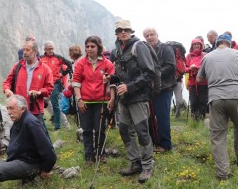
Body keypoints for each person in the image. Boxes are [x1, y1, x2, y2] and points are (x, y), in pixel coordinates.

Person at [196, 34, 238, 180]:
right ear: (229, 43)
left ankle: (223, 173)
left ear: (217, 44)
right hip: (235, 95)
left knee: (218, 135)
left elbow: (199, 79)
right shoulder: (237, 54)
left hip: (216, 98)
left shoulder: (207, 57)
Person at [105, 19, 155, 183]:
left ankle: (147, 166)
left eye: (126, 29)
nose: (123, 32)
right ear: (117, 33)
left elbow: (149, 73)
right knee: (124, 131)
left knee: (142, 131)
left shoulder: (139, 46)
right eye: (120, 30)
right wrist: (111, 77)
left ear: (131, 31)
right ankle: (135, 162)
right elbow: (119, 75)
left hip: (138, 96)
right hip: (123, 98)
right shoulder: (115, 51)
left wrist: (129, 86)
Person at [0, 95, 57, 188]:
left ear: (22, 109)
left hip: (31, 164)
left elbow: (48, 150)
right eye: (7, 108)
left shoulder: (31, 122)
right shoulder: (18, 121)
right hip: (20, 160)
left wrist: (46, 169)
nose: (9, 112)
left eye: (12, 108)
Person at [72, 36, 115, 165]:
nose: (89, 49)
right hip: (85, 102)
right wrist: (79, 99)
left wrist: (112, 98)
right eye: (87, 46)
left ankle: (101, 154)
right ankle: (89, 157)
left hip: (101, 101)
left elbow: (112, 82)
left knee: (100, 128)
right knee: (86, 130)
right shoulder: (80, 63)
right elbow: (76, 82)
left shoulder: (107, 63)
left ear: (98, 47)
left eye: (92, 46)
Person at [2, 40, 54, 133]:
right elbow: (7, 82)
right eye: (24, 50)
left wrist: (39, 92)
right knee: (19, 137)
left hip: (36, 110)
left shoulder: (45, 69)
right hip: (19, 111)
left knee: (38, 137)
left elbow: (49, 89)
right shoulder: (17, 66)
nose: (24, 52)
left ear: (35, 51)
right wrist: (6, 89)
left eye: (27, 50)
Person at [143, 27, 176, 152]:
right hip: (151, 88)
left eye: (152, 35)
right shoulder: (145, 50)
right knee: (150, 116)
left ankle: (165, 145)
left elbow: (171, 66)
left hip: (165, 87)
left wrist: (155, 74)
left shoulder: (166, 48)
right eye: (147, 36)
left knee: (162, 117)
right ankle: (153, 142)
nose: (150, 37)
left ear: (157, 35)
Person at [40, 41, 72, 131]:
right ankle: (40, 126)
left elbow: (69, 64)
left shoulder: (58, 57)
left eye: (52, 48)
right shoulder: (40, 58)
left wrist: (63, 73)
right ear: (45, 49)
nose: (50, 50)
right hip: (43, 85)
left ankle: (57, 127)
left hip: (55, 84)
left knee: (55, 105)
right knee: (39, 104)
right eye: (49, 49)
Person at [186, 38, 208, 120]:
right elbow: (184, 68)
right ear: (192, 46)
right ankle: (194, 119)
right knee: (193, 101)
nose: (196, 46)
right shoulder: (188, 56)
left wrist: (196, 68)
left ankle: (202, 118)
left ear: (201, 45)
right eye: (194, 44)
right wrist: (190, 69)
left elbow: (207, 66)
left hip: (203, 81)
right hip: (192, 82)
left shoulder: (205, 55)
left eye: (198, 44)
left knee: (203, 101)